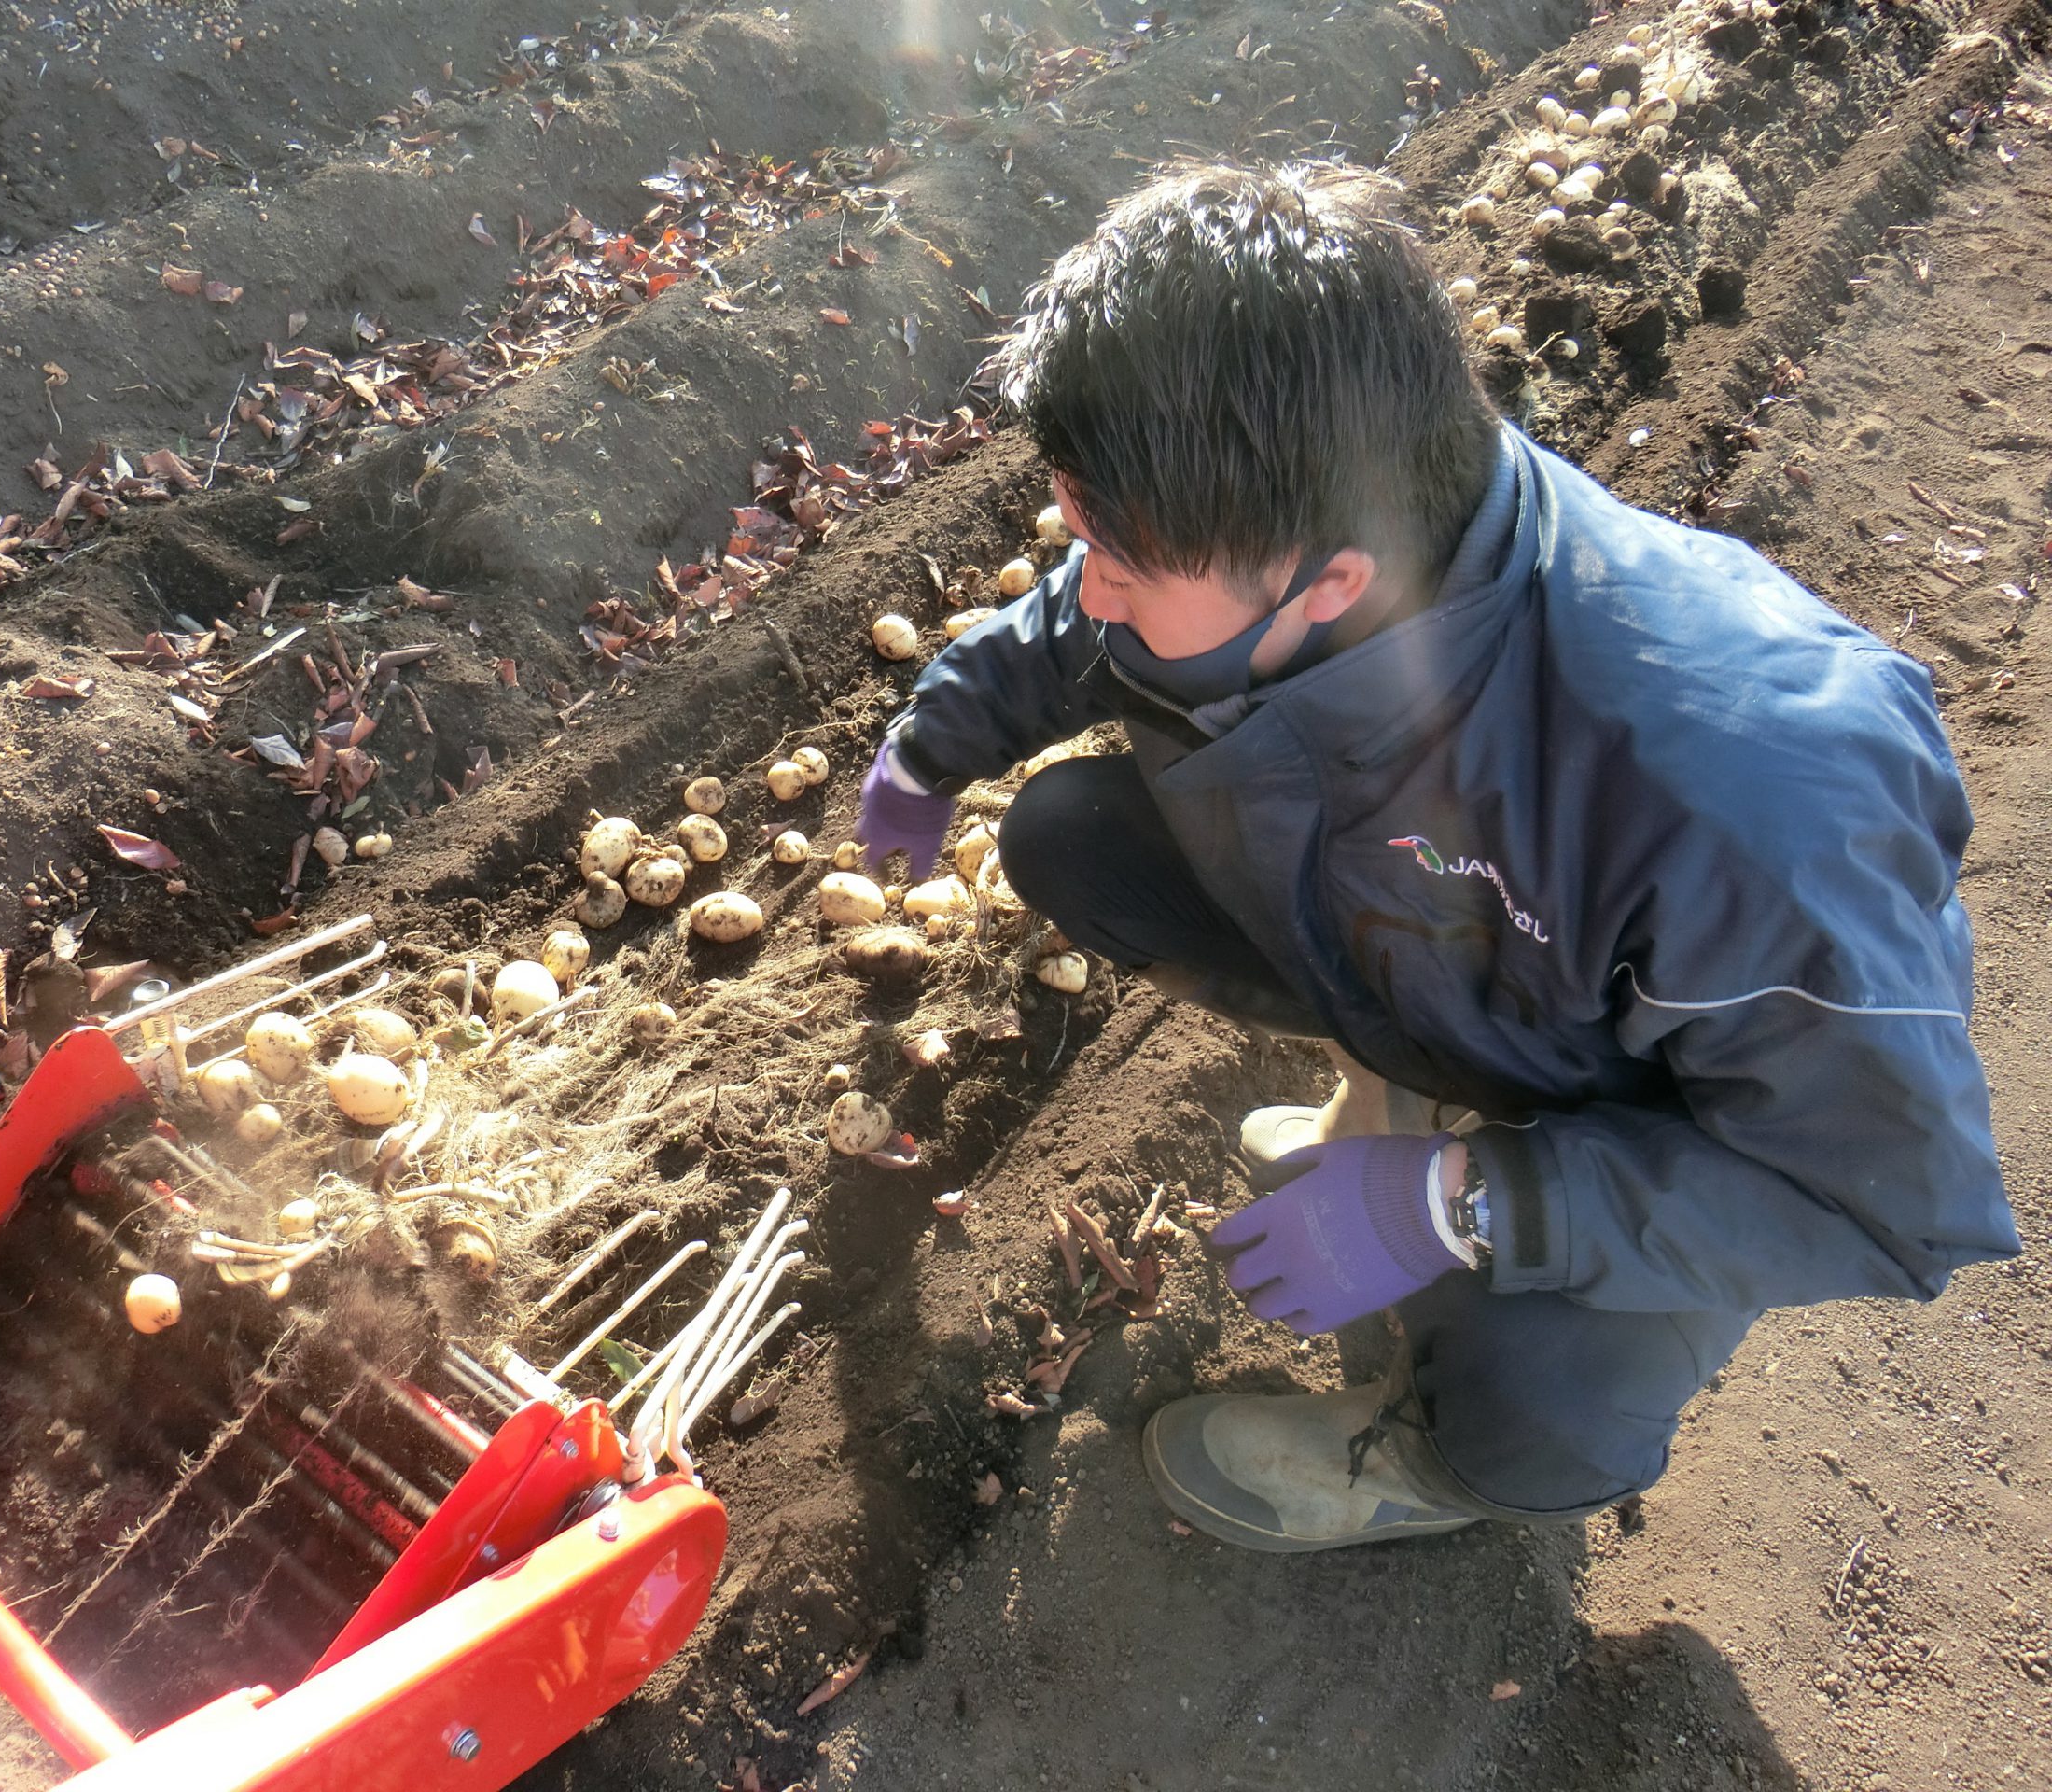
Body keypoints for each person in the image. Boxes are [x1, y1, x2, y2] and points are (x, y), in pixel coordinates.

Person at [854, 162, 2018, 1552]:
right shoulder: (1260, 523)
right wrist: (935, 742)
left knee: (1547, 1386)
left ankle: (1451, 1467)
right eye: (1084, 533)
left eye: (1120, 559)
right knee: (1070, 835)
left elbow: (1881, 1207)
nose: (1088, 584)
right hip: (1449, 953)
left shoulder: (1744, 806)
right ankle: (1397, 1099)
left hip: (1650, 1109)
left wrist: (1464, 1204)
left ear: (1329, 581)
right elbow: (1086, 609)